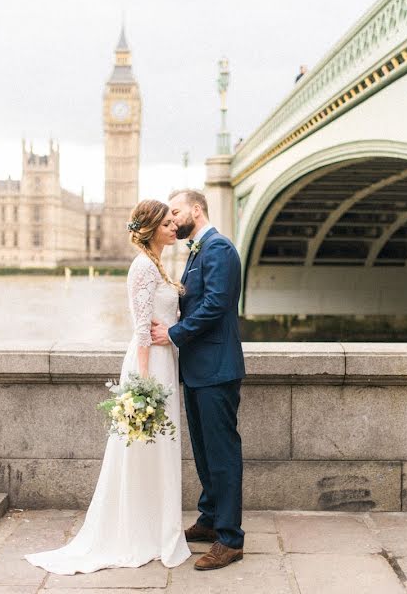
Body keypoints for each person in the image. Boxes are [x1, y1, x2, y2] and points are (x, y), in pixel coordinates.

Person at [24, 199, 191, 574]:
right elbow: (141, 328)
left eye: (172, 221)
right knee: (142, 450)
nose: (173, 227)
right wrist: (145, 384)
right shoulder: (143, 267)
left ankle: (155, 527)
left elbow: (163, 319)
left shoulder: (159, 265)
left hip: (164, 361)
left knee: (158, 449)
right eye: (166, 223)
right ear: (150, 229)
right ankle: (138, 532)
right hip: (150, 366)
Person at [150, 189, 246, 571]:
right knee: (205, 453)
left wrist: (173, 334)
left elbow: (215, 305)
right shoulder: (197, 251)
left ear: (196, 209)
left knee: (222, 456)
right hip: (199, 369)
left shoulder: (219, 249)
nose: (172, 220)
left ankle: (230, 539)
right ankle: (209, 519)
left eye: (175, 211)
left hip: (216, 369)